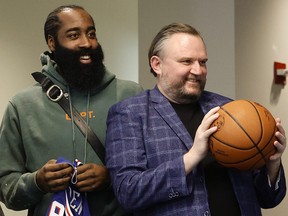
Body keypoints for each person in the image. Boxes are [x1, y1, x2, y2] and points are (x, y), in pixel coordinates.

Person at [105, 23, 287, 216]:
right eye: (186, 61)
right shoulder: (129, 114)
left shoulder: (227, 109)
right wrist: (191, 158)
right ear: (157, 64)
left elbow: (269, 199)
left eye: (202, 62)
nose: (198, 70)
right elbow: (129, 193)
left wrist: (272, 164)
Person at [0, 5, 142, 216]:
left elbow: (154, 169)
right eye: (74, 35)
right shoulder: (22, 106)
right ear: (52, 43)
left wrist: (111, 178)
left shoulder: (130, 95)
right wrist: (37, 181)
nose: (86, 42)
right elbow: (6, 188)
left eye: (91, 33)